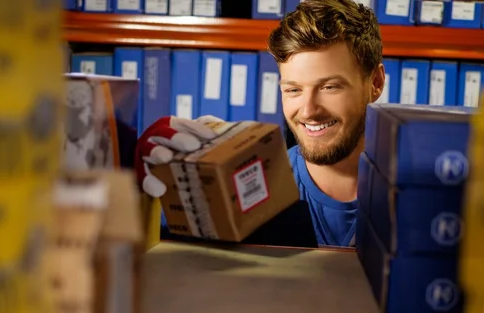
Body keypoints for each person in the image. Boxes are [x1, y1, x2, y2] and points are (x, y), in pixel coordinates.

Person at [136, 0, 385, 247]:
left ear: (375, 83)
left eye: (330, 87)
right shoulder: (252, 188)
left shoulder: (412, 191)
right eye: (293, 90)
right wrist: (145, 184)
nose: (308, 110)